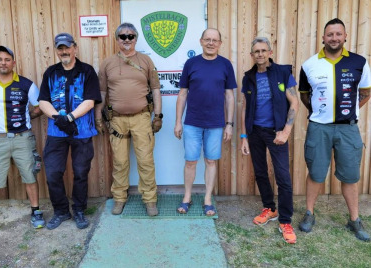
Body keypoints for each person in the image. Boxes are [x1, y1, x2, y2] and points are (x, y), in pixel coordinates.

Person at [298, 18, 371, 242]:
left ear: (345, 36)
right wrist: (322, 114)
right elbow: (304, 95)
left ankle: (354, 219)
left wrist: (348, 111)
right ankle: (309, 214)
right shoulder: (309, 65)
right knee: (316, 173)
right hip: (319, 128)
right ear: (323, 37)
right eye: (330, 34)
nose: (334, 38)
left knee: (350, 176)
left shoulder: (359, 62)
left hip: (348, 129)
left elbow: (366, 93)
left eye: (338, 34)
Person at [0, 46, 45, 239]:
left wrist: (23, 118)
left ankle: (36, 212)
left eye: (7, 59)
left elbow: (39, 108)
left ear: (13, 62)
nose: (3, 62)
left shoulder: (27, 84)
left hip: (23, 138)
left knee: (30, 175)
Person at [96, 23, 162, 216]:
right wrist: (98, 116)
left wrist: (158, 116)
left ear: (136, 38)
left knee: (145, 161)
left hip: (142, 118)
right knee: (120, 161)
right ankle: (119, 198)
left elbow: (156, 90)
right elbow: (101, 92)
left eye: (130, 36)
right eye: (123, 36)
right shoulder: (107, 63)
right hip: (116, 120)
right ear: (117, 39)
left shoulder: (146, 61)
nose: (127, 40)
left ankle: (150, 200)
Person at [38, 33, 102, 230]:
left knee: (81, 172)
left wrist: (70, 118)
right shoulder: (51, 72)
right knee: (53, 173)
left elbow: (90, 100)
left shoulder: (87, 71)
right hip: (56, 133)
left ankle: (80, 210)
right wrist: (58, 118)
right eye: (60, 48)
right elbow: (43, 101)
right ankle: (61, 211)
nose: (64, 51)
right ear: (57, 50)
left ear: (74, 48)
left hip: (81, 131)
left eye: (67, 47)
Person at [240, 37, 299, 244]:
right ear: (251, 55)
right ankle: (270, 208)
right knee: (261, 172)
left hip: (277, 133)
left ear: (270, 52)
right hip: (255, 132)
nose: (260, 54)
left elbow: (294, 103)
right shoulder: (248, 77)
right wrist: (244, 136)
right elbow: (245, 107)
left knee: (283, 176)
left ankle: (285, 220)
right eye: (256, 51)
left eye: (264, 50)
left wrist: (286, 131)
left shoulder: (283, 73)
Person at [174, 28, 236, 217]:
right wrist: (178, 122)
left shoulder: (225, 65)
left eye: (214, 40)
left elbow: (230, 96)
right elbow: (183, 93)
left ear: (220, 43)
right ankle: (187, 197)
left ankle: (207, 199)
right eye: (207, 39)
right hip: (192, 122)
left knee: (210, 160)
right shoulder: (191, 63)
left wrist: (229, 124)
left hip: (216, 123)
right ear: (201, 41)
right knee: (191, 161)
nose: (211, 43)